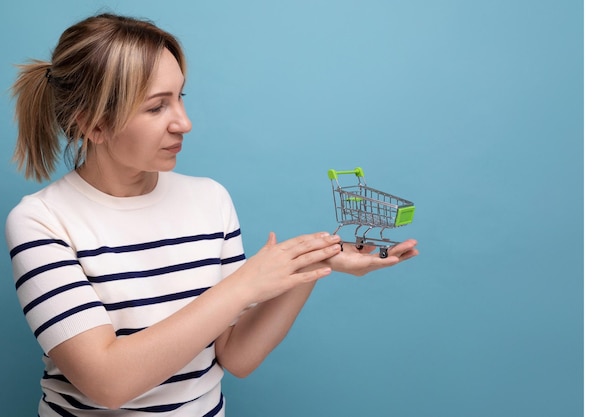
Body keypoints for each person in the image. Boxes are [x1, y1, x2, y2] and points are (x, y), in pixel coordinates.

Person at [5, 12, 418, 416]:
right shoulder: (41, 221)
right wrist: (243, 286)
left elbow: (235, 356)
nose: (184, 123)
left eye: (180, 97)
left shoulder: (210, 200)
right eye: (156, 107)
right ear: (93, 125)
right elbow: (108, 383)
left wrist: (315, 261)